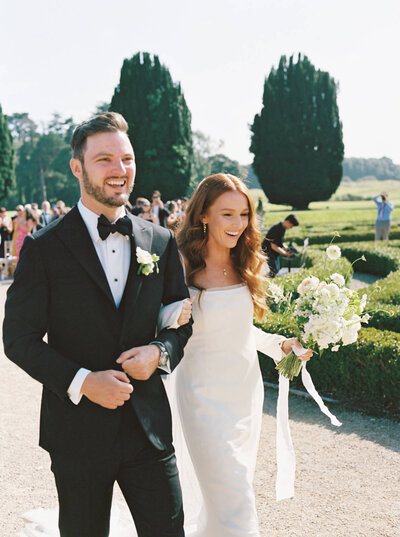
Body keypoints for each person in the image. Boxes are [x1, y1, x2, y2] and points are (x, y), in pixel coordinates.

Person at [3, 112, 192, 537]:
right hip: (77, 433)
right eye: (105, 159)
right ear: (78, 167)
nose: (120, 170)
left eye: (126, 159)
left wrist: (160, 353)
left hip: (149, 429)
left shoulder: (159, 241)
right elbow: (17, 339)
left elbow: (181, 322)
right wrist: (83, 381)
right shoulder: (43, 248)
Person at [161, 174, 312, 537]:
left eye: (243, 214)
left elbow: (245, 332)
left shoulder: (250, 263)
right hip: (199, 393)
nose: (238, 224)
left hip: (244, 393)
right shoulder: (181, 264)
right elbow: (157, 324)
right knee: (235, 494)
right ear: (204, 215)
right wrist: (171, 315)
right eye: (227, 214)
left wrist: (283, 346)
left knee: (228, 493)